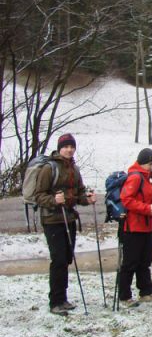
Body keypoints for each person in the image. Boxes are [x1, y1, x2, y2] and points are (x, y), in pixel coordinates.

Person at [34, 133, 97, 316]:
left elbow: (79, 193)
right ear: (59, 148)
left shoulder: (74, 169)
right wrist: (54, 199)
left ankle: (63, 299)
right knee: (59, 259)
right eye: (66, 146)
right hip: (52, 219)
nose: (69, 149)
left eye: (72, 146)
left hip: (69, 218)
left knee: (67, 258)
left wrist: (88, 199)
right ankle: (55, 301)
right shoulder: (49, 168)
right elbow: (39, 195)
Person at [119, 148, 152, 306]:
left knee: (144, 261)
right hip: (133, 227)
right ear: (143, 162)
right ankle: (124, 295)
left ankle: (146, 292)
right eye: (150, 164)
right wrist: (146, 209)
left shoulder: (146, 177)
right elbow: (126, 199)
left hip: (146, 226)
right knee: (130, 262)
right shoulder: (135, 177)